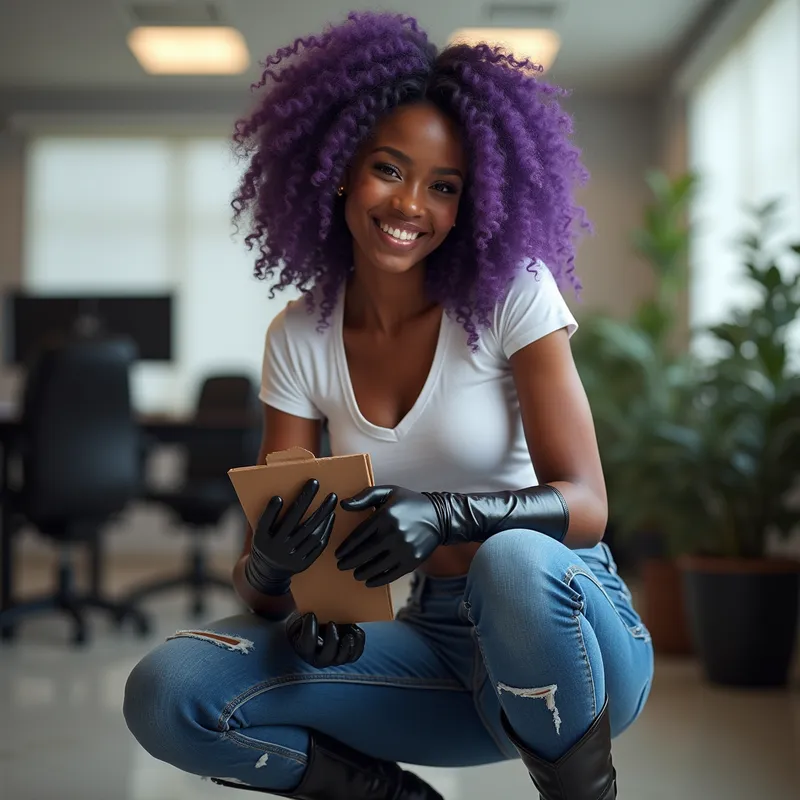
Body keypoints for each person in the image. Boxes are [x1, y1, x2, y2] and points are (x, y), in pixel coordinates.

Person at [123, 11, 654, 800]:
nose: (412, 204)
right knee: (171, 689)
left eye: (444, 187)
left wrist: (445, 514)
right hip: (435, 645)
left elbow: (587, 508)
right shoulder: (300, 335)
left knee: (511, 558)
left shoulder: (514, 295)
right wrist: (283, 575)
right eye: (389, 169)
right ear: (339, 168)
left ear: (470, 203)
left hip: (574, 631)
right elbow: (267, 580)